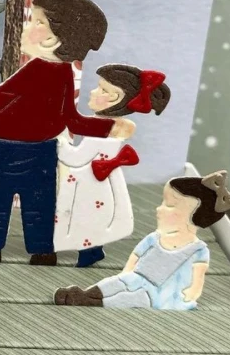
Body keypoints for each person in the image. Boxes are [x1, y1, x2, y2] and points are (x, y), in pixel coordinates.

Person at [0, 0, 134, 266]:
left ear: (54, 38)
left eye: (37, 22)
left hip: (6, 150)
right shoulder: (62, 72)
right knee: (40, 205)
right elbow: (71, 119)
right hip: (42, 152)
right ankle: (42, 250)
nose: (27, 27)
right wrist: (109, 128)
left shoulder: (38, 70)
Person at [54, 171, 230, 309]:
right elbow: (136, 257)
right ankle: (86, 293)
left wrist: (192, 293)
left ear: (193, 215)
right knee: (113, 283)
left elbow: (197, 278)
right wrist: (125, 275)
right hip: (136, 278)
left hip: (161, 294)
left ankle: (89, 302)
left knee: (133, 299)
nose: (159, 209)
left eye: (169, 205)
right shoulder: (155, 238)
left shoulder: (198, 250)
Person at [55, 65, 171, 267]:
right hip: (97, 180)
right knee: (92, 214)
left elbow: (76, 156)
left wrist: (59, 143)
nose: (93, 91)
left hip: (91, 182)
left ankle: (89, 251)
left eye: (101, 89)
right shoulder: (105, 126)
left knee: (86, 214)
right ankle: (92, 250)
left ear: (114, 98)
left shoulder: (103, 129)